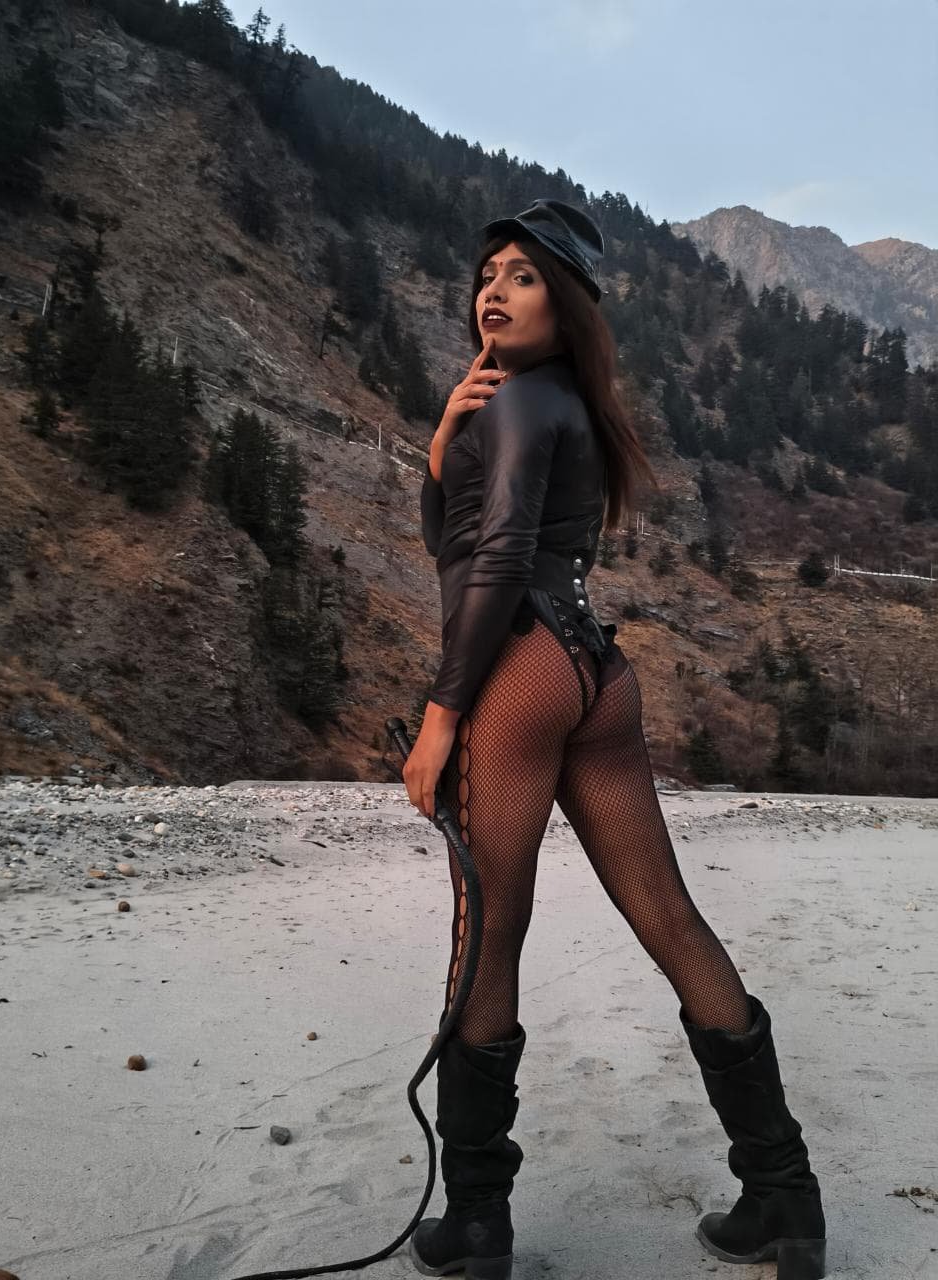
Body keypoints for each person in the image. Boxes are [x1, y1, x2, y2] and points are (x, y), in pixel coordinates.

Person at [402, 198, 826, 1280]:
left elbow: (493, 563)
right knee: (670, 916)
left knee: (488, 939)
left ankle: (477, 1220)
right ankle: (783, 1196)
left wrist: (441, 717)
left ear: (569, 304)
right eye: (488, 273)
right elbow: (464, 536)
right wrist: (442, 442)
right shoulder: (565, 406)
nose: (495, 290)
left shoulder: (521, 402)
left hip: (518, 674)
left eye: (524, 276)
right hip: (597, 672)